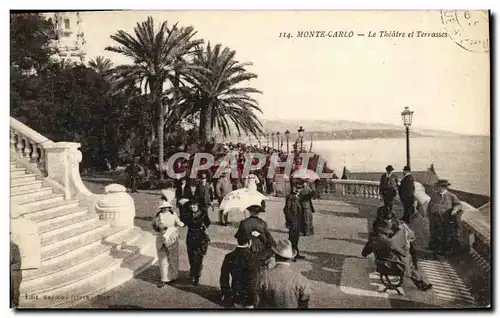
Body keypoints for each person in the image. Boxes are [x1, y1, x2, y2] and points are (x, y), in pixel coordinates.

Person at [362, 213, 432, 291]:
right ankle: (419, 282)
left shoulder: (373, 238)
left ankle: (419, 282)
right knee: (407, 258)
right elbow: (402, 252)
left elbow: (364, 253)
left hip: (382, 263)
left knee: (406, 259)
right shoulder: (389, 242)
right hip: (391, 265)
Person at [257, 239, 312, 308]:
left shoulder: (264, 276)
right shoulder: (301, 279)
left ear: (275, 256)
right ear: (291, 259)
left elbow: (257, 302)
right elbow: (304, 305)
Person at [220, 228, 260, 308]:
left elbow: (224, 277)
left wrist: (226, 292)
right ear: (249, 242)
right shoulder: (254, 257)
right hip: (251, 296)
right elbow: (257, 277)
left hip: (236, 294)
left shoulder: (229, 257)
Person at [152, 200, 185, 287]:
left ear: (169, 208)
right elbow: (155, 225)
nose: (165, 209)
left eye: (167, 207)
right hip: (162, 238)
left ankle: (174, 276)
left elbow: (177, 221)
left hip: (172, 237)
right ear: (161, 208)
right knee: (163, 259)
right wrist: (160, 227)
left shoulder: (173, 214)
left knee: (173, 257)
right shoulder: (158, 216)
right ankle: (164, 278)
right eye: (163, 208)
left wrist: (180, 223)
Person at [235, 204, 276, 270]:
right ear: (259, 213)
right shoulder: (263, 223)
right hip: (260, 253)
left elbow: (239, 240)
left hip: (248, 252)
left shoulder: (244, 222)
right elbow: (269, 240)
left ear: (250, 211)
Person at [427, 180, 462, 255]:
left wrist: (455, 210)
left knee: (443, 234)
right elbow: (430, 205)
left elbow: (458, 204)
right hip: (434, 217)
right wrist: (429, 214)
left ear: (443, 187)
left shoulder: (451, 196)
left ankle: (442, 250)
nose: (437, 188)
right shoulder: (435, 195)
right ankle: (434, 247)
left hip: (444, 218)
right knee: (433, 231)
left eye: (438, 186)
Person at [184, 200, 211, 286]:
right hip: (190, 236)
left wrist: (204, 226)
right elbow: (184, 222)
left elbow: (208, 222)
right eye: (191, 206)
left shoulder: (203, 214)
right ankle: (193, 271)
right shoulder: (188, 214)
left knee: (198, 256)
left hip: (200, 237)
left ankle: (197, 276)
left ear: (198, 206)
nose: (193, 207)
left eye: (194, 205)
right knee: (191, 255)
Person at [283, 183, 305, 261]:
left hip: (298, 221)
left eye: (300, 188)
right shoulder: (290, 197)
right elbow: (286, 210)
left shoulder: (299, 197)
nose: (298, 190)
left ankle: (295, 253)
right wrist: (290, 220)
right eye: (297, 188)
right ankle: (290, 254)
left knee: (296, 238)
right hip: (293, 221)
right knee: (292, 238)